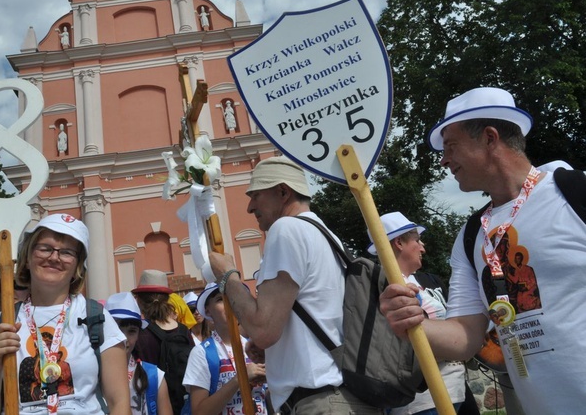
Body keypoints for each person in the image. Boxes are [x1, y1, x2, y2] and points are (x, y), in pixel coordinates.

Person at [379, 87, 586, 414]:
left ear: (490, 138)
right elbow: (465, 336)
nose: (445, 159)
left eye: (451, 146)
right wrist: (412, 324)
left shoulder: (574, 193)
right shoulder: (470, 235)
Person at [209, 156, 382, 414]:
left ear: (282, 191)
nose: (249, 207)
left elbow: (263, 330)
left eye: (256, 195)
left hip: (323, 401)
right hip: (345, 396)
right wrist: (279, 353)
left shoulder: (286, 229)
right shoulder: (325, 233)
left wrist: (228, 276)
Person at [0, 213, 130, 415]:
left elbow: (119, 402)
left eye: (67, 252)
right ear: (27, 258)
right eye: (45, 248)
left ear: (78, 266)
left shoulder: (97, 318)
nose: (54, 257)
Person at [366, 212, 467, 415]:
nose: (423, 247)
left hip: (446, 393)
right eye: (417, 240)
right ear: (399, 243)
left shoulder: (413, 282)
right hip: (424, 401)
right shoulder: (388, 286)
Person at [183, 282, 268, 415]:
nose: (229, 304)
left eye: (233, 297)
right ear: (207, 310)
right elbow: (199, 412)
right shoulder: (201, 353)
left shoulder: (256, 348)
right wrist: (240, 378)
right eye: (220, 299)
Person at [132, 270, 194, 414]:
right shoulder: (184, 331)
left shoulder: (140, 334)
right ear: (168, 299)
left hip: (153, 405)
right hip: (185, 404)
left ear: (139, 301)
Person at [105, 292, 172, 415]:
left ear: (138, 335)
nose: (123, 338)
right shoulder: (89, 375)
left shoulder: (154, 376)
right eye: (116, 329)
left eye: (131, 331)